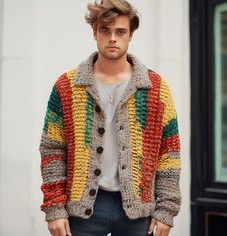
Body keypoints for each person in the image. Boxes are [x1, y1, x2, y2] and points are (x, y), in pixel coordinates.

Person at [39, 0, 181, 235]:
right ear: (94, 32)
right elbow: (52, 148)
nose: (112, 38)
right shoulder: (68, 86)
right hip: (83, 209)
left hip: (138, 210)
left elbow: (169, 153)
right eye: (105, 30)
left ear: (131, 35)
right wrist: (54, 207)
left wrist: (166, 210)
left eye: (120, 31)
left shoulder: (155, 88)